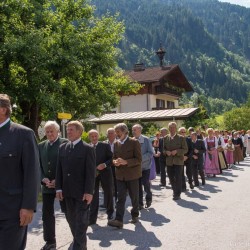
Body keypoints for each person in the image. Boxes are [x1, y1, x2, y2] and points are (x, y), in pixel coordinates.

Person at [0, 94, 40, 250]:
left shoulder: (23, 134)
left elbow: (32, 173)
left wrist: (28, 206)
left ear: (3, 110)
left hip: (13, 211)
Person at [56, 121, 96, 250]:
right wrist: (58, 188)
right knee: (71, 221)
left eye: (71, 129)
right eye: (67, 129)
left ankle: (79, 247)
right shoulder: (63, 147)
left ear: (79, 132)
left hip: (81, 193)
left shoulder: (87, 149)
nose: (68, 132)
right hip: (66, 193)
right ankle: (79, 244)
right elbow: (59, 170)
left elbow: (91, 172)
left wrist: (89, 192)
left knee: (81, 223)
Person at [39, 121, 68, 250]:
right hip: (46, 186)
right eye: (47, 131)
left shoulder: (65, 143)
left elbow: (69, 164)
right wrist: (43, 179)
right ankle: (50, 241)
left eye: (52, 131)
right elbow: (37, 165)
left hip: (63, 185)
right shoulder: (41, 146)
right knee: (47, 214)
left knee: (69, 212)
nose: (50, 134)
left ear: (58, 131)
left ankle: (78, 236)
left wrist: (58, 180)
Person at [108, 123, 142, 228]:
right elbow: (114, 157)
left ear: (124, 131)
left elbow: (138, 159)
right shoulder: (116, 143)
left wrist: (125, 162)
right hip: (120, 175)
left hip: (132, 175)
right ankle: (119, 220)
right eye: (115, 132)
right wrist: (115, 162)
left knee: (134, 197)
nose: (116, 134)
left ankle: (135, 214)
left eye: (118, 132)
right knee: (120, 198)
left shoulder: (134, 142)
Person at [88, 129, 114, 225]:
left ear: (98, 136)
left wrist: (104, 164)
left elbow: (112, 159)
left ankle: (110, 213)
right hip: (93, 175)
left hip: (105, 173)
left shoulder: (105, 145)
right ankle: (92, 218)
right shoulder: (87, 147)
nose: (94, 138)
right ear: (89, 137)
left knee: (108, 193)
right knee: (93, 195)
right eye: (92, 136)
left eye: (95, 136)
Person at [132, 124, 154, 209]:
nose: (133, 131)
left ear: (140, 130)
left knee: (145, 183)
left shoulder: (146, 139)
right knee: (137, 186)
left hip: (145, 167)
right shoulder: (131, 140)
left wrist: (140, 159)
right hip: (136, 168)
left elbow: (150, 153)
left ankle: (148, 198)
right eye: (132, 130)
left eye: (135, 130)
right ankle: (140, 204)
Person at [164, 122, 188, 200]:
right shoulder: (165, 138)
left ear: (176, 128)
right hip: (169, 161)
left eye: (173, 127)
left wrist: (177, 151)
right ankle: (175, 190)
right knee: (171, 178)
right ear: (168, 128)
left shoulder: (181, 138)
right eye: (170, 127)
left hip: (178, 161)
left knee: (178, 178)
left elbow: (185, 149)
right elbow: (163, 149)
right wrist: (166, 152)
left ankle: (177, 194)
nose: (172, 129)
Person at [179, 127, 194, 191]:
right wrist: (181, 156)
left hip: (188, 157)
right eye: (182, 132)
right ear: (179, 133)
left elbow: (191, 149)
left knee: (189, 172)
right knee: (181, 172)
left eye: (184, 132)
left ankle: (190, 182)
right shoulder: (177, 139)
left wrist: (187, 156)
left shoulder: (188, 139)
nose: (183, 133)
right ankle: (183, 187)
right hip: (180, 158)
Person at [105, 127, 118, 202]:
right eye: (109, 133)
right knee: (107, 185)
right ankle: (106, 202)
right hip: (107, 166)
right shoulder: (104, 143)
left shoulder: (119, 143)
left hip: (116, 166)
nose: (110, 135)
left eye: (112, 133)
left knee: (116, 184)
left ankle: (117, 200)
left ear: (115, 134)